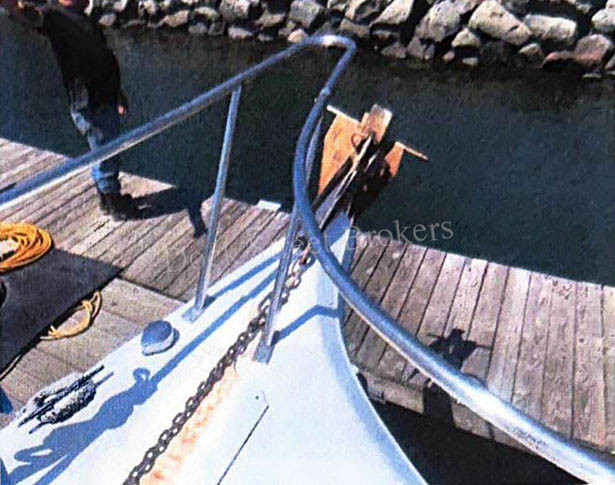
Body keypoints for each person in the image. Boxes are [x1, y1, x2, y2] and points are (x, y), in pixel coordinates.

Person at [2, 0, 138, 219]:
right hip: (90, 102)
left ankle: (106, 196)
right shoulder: (54, 17)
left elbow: (103, 58)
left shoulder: (83, 19)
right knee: (106, 152)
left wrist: (117, 93)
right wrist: (12, 6)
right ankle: (113, 202)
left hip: (105, 97)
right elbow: (28, 14)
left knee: (104, 148)